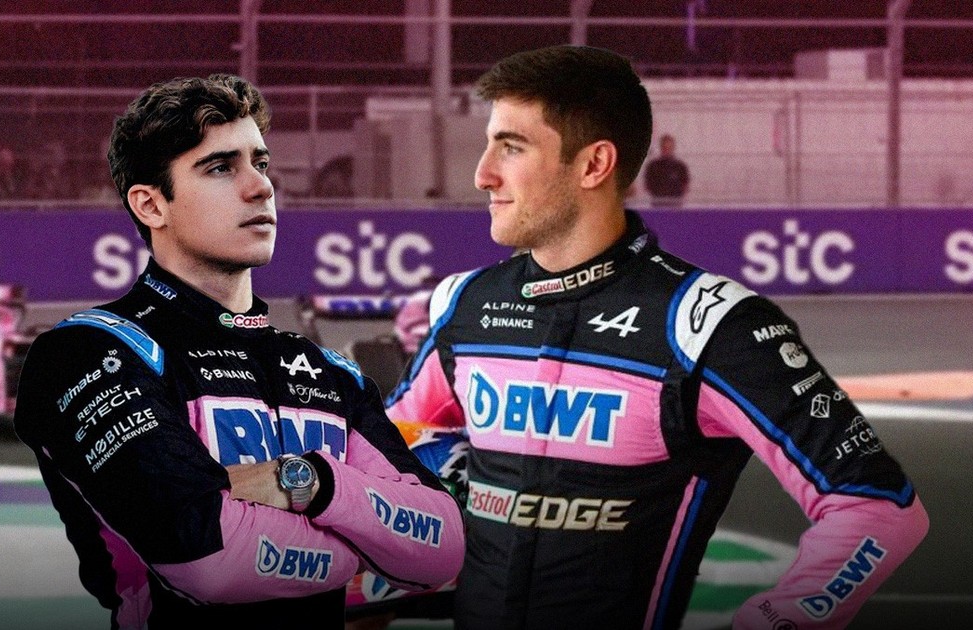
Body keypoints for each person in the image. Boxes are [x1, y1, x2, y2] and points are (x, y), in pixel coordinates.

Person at [385, 45, 928, 629]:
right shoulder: (466, 304)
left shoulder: (707, 323)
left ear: (594, 165)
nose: (482, 174)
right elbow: (391, 447)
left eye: (511, 147)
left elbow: (876, 504)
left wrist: (781, 619)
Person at [13, 74, 464, 628]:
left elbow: (442, 548)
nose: (261, 188)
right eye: (221, 168)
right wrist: (360, 543)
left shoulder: (331, 373)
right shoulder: (85, 352)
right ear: (151, 205)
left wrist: (312, 482)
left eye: (261, 163)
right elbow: (206, 558)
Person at [642, 133, 690, 207]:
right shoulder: (652, 166)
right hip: (657, 205)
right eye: (664, 148)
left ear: (673, 148)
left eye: (669, 148)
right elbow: (647, 185)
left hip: (676, 205)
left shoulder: (680, 166)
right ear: (661, 147)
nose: (667, 150)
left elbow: (685, 186)